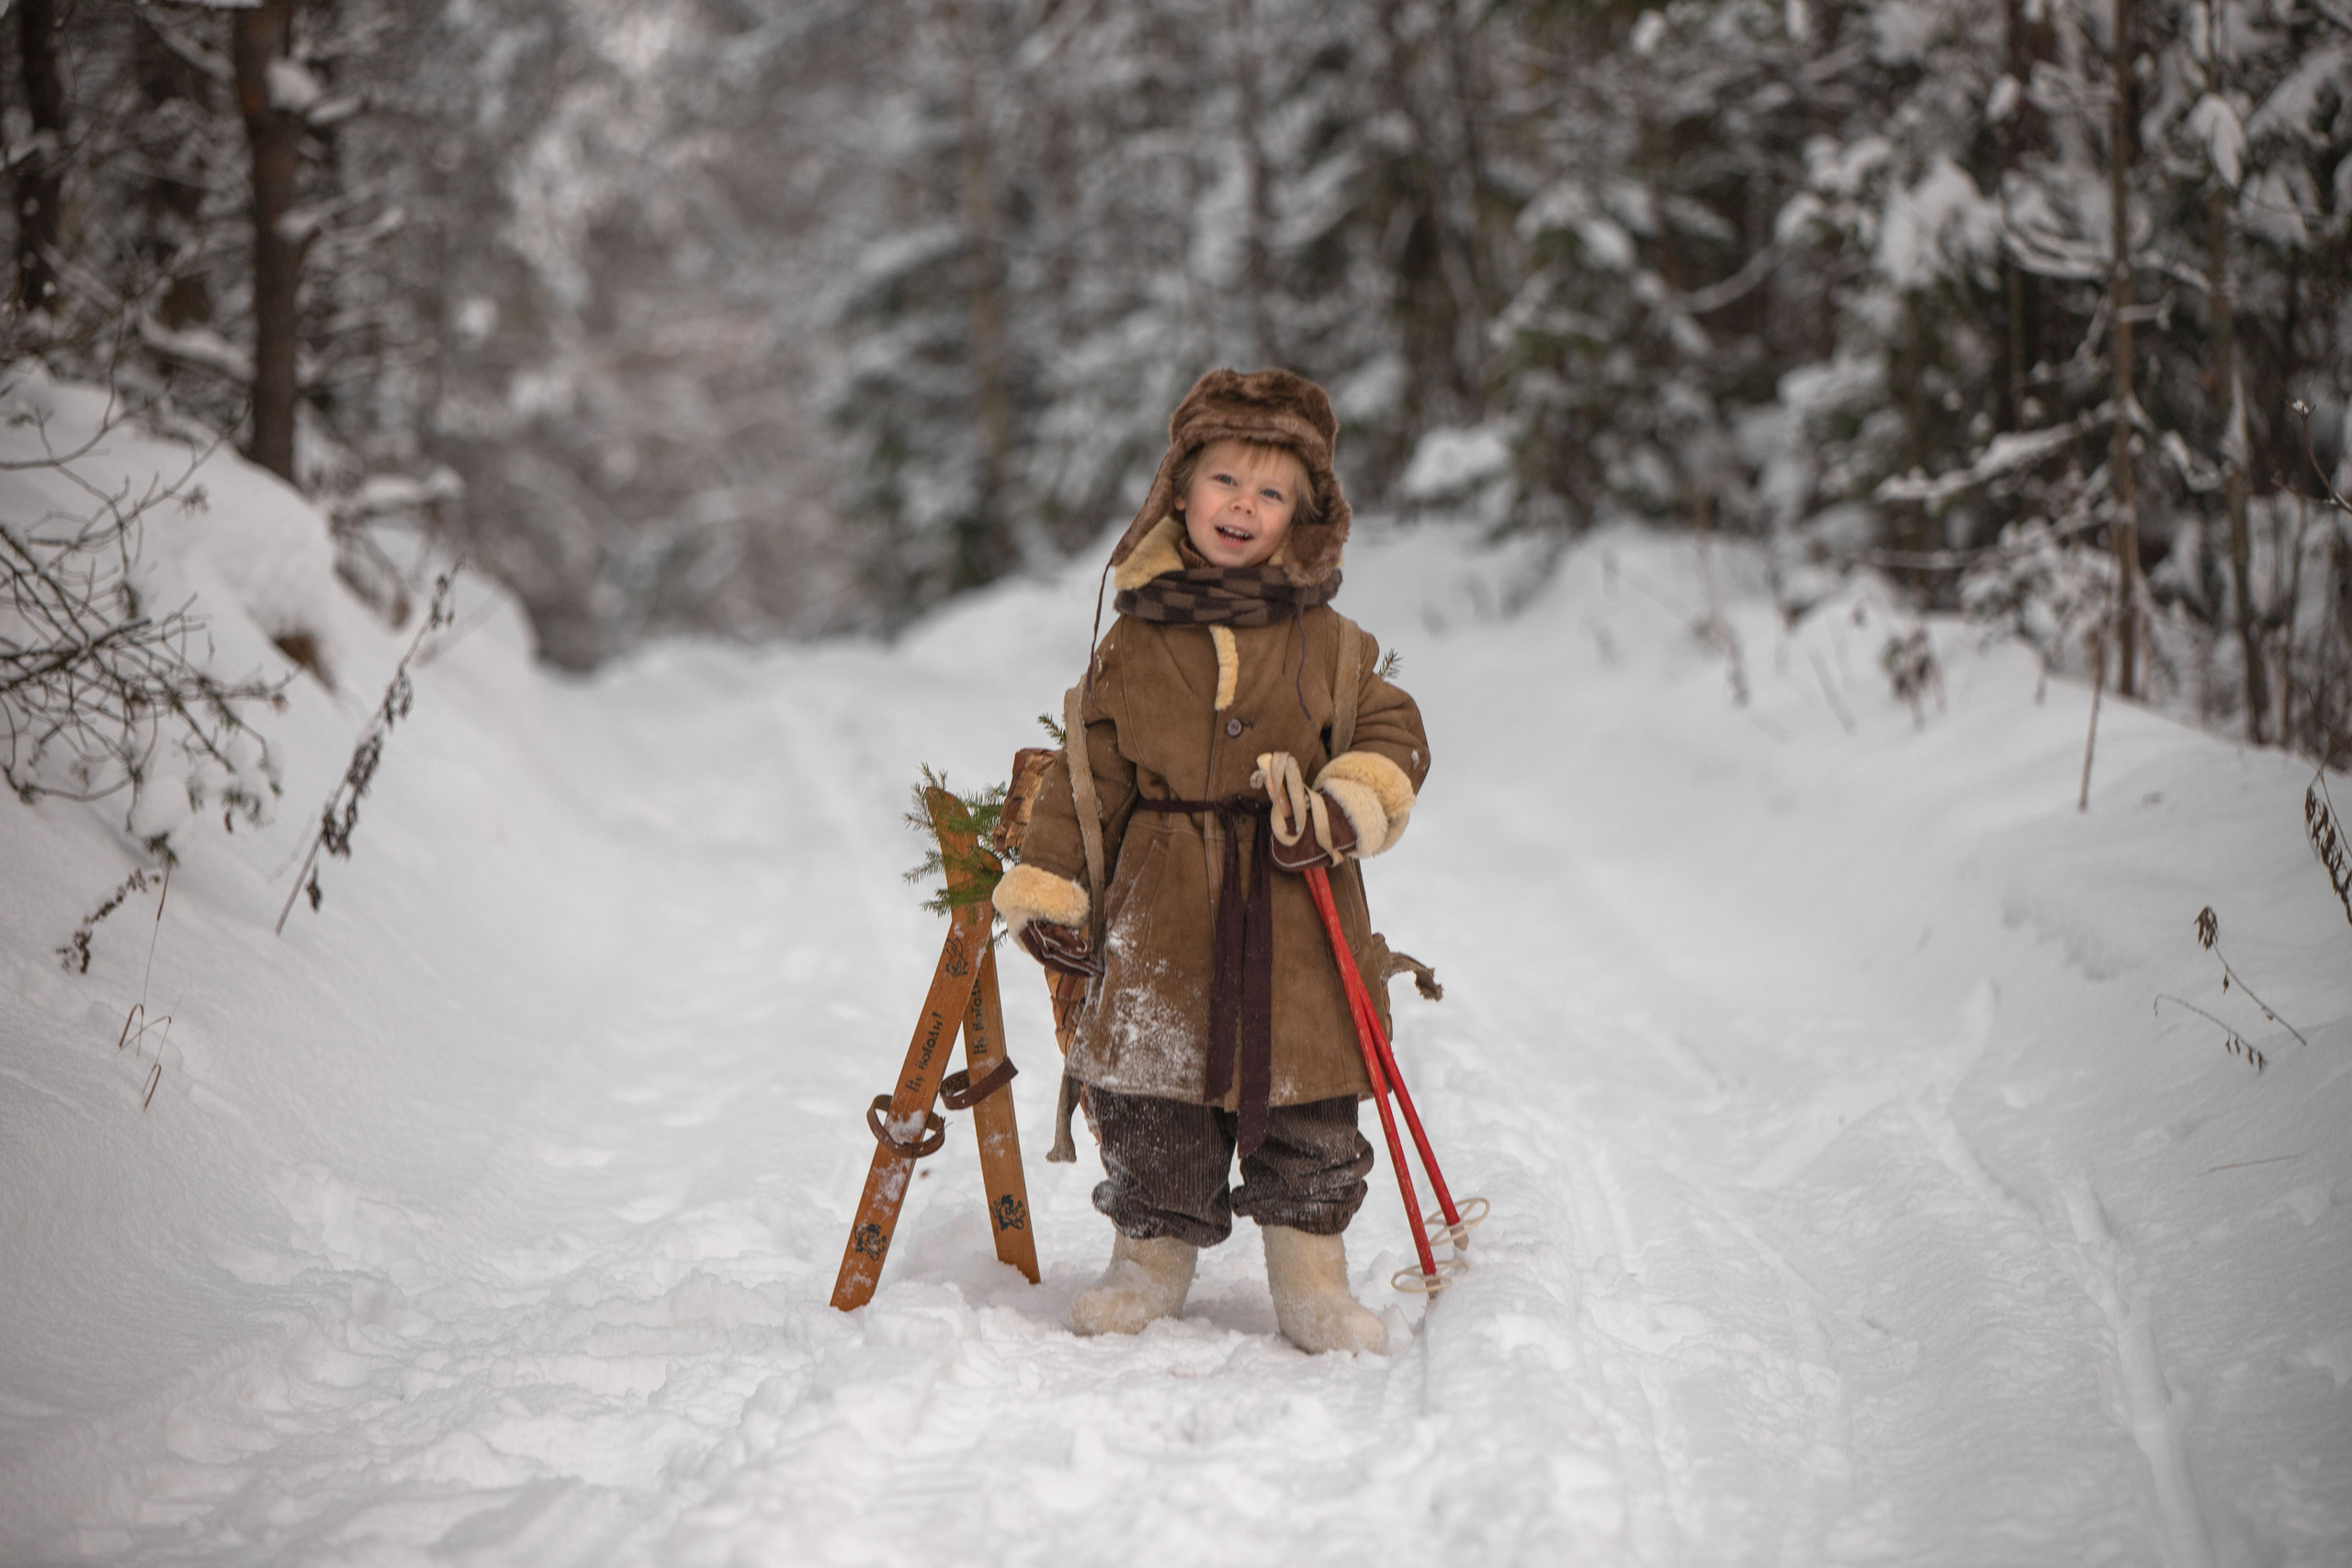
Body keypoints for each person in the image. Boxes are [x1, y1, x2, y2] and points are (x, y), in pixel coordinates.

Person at [994, 367, 1430, 1355]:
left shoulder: (1331, 642)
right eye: (1225, 480)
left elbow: (1393, 732)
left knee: (1308, 1099)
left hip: (1295, 905)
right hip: (1165, 908)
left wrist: (1341, 804)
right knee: (1152, 1096)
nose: (1243, 504)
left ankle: (1312, 1283)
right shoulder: (1134, 643)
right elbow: (1087, 773)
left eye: (1271, 492)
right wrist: (1051, 884)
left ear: (1304, 517)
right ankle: (1146, 1261)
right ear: (1179, 492)